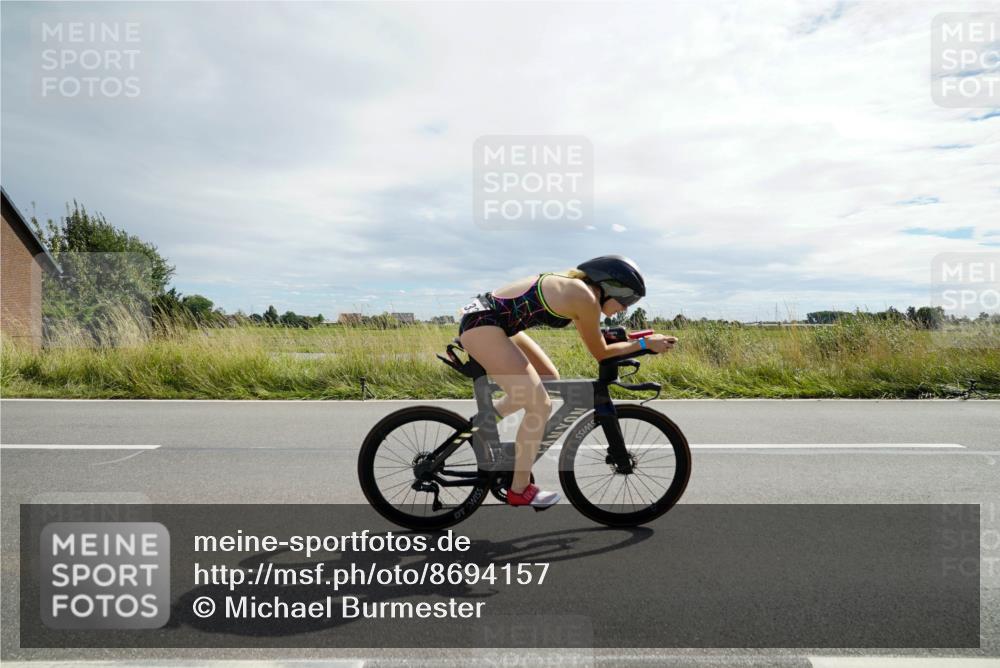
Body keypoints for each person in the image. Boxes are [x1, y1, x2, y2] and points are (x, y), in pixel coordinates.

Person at [457, 255, 677, 509]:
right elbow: (601, 352)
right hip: (484, 324)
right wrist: (643, 345)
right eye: (628, 299)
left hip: (493, 321)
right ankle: (519, 489)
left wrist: (640, 341)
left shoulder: (582, 293)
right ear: (610, 287)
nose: (626, 308)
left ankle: (486, 422)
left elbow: (601, 340)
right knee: (540, 405)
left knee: (549, 379)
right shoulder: (585, 298)